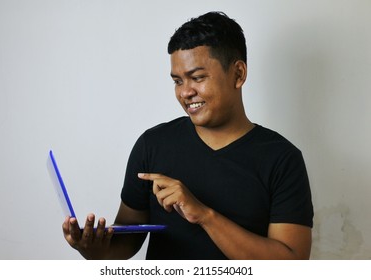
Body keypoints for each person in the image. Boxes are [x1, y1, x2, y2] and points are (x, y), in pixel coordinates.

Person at [62, 11, 313, 260]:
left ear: (238, 74)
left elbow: (291, 264)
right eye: (177, 81)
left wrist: (204, 215)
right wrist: (93, 248)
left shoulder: (282, 159)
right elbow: (125, 244)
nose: (185, 92)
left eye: (197, 77)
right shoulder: (152, 145)